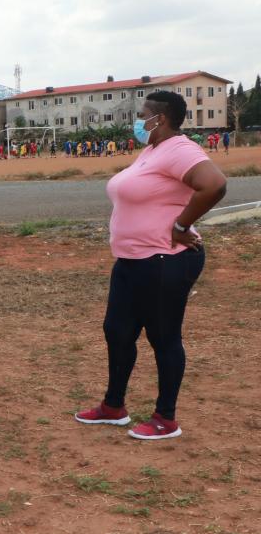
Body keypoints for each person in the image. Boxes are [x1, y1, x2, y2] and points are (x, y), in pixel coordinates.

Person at [76, 91, 227, 440]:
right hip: (131, 260)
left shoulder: (180, 149)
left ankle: (165, 418)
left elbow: (214, 185)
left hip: (164, 260)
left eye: (143, 114)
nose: (138, 120)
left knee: (163, 337)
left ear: (161, 118)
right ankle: (114, 407)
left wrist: (181, 225)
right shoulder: (152, 150)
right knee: (117, 331)